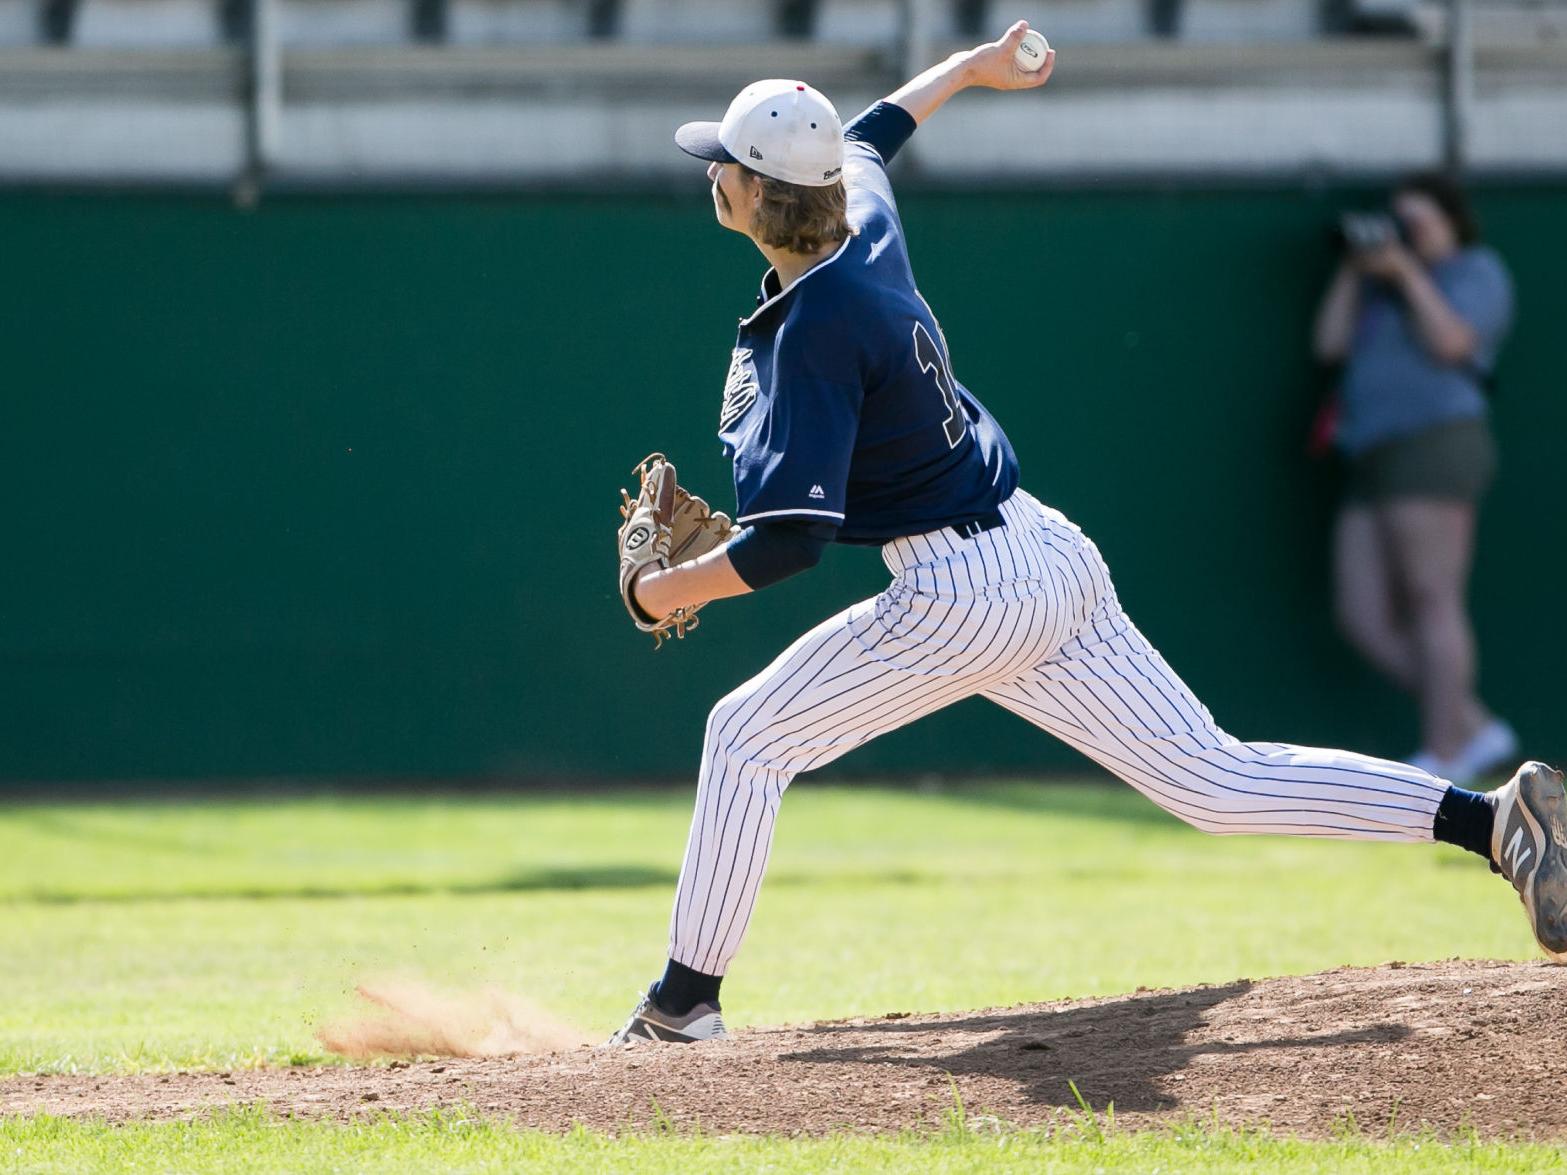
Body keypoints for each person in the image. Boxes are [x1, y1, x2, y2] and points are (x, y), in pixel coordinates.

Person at [606, 24, 1565, 1045]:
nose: (711, 170)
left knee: (744, 736)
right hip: (1041, 551)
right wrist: (972, 67)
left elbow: (789, 543)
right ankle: (1491, 817)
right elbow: (874, 133)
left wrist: (656, 593)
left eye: (724, 163)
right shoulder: (861, 222)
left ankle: (681, 1004)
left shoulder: (814, 331)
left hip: (957, 593)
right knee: (1215, 777)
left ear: (757, 194)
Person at [1313, 176, 1516, 784]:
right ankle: (1474, 727)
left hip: (1436, 445)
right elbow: (1329, 346)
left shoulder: (1475, 272)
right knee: (1361, 615)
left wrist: (1406, 271)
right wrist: (1356, 268)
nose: (1403, 235)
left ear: (1451, 221)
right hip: (1368, 450)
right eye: (1395, 223)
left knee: (1433, 598)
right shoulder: (1373, 287)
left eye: (1417, 223)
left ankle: (1445, 750)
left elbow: (1453, 342)